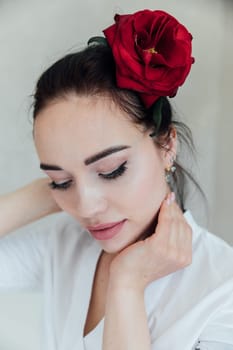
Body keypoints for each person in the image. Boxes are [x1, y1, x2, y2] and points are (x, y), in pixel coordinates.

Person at [0, 8, 233, 350]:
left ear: (166, 144)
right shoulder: (65, 243)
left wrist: (128, 284)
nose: (87, 206)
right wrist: (49, 192)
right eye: (61, 181)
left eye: (111, 170)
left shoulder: (221, 293)